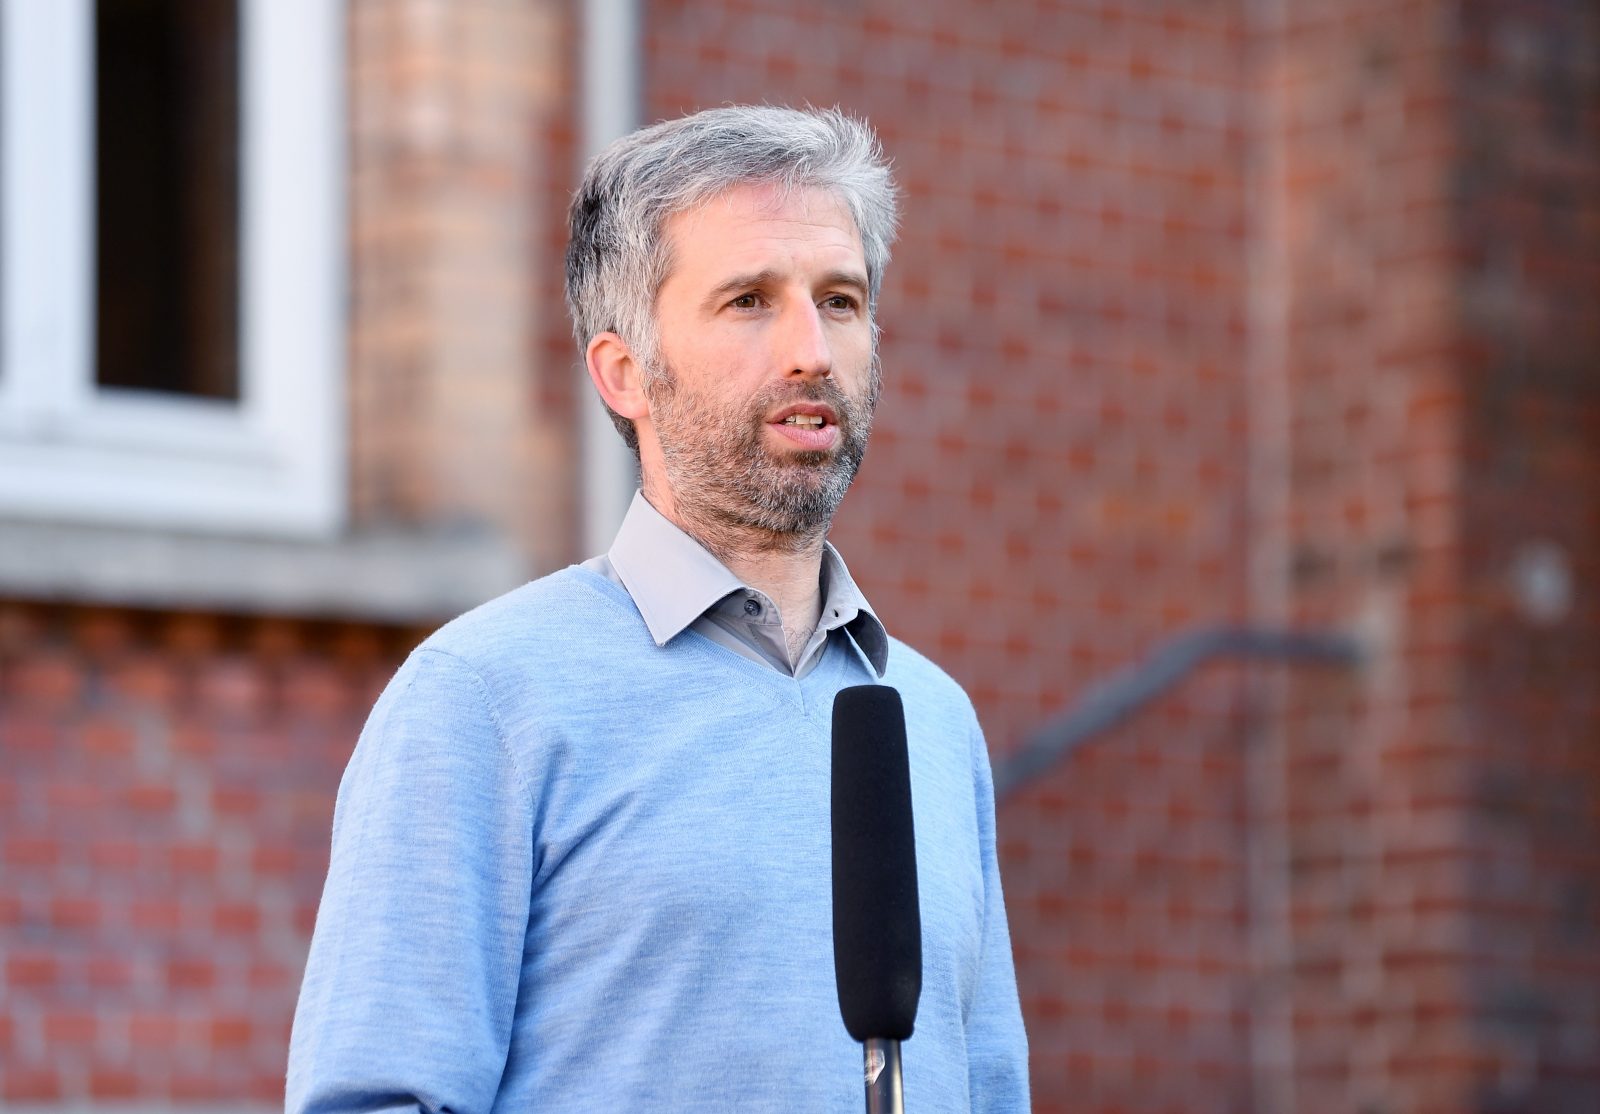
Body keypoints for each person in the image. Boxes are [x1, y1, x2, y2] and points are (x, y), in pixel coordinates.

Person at [286, 105, 1029, 1112]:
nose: (811, 348)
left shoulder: (933, 719)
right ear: (625, 372)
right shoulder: (484, 700)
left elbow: (987, 1087)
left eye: (841, 300)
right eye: (748, 301)